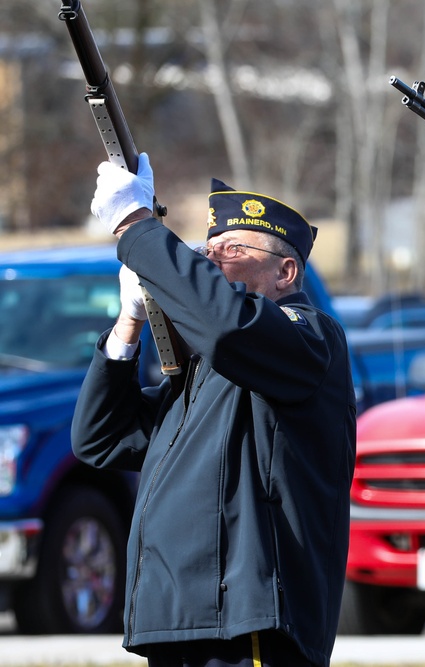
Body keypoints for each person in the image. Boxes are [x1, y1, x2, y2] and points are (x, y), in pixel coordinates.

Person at [71, 153, 357, 667]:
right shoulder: (212, 373)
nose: (210, 256)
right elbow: (101, 438)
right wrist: (127, 328)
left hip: (247, 630)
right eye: (208, 246)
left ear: (285, 271)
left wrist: (137, 229)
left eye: (232, 249)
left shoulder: (309, 337)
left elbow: (228, 326)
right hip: (182, 623)